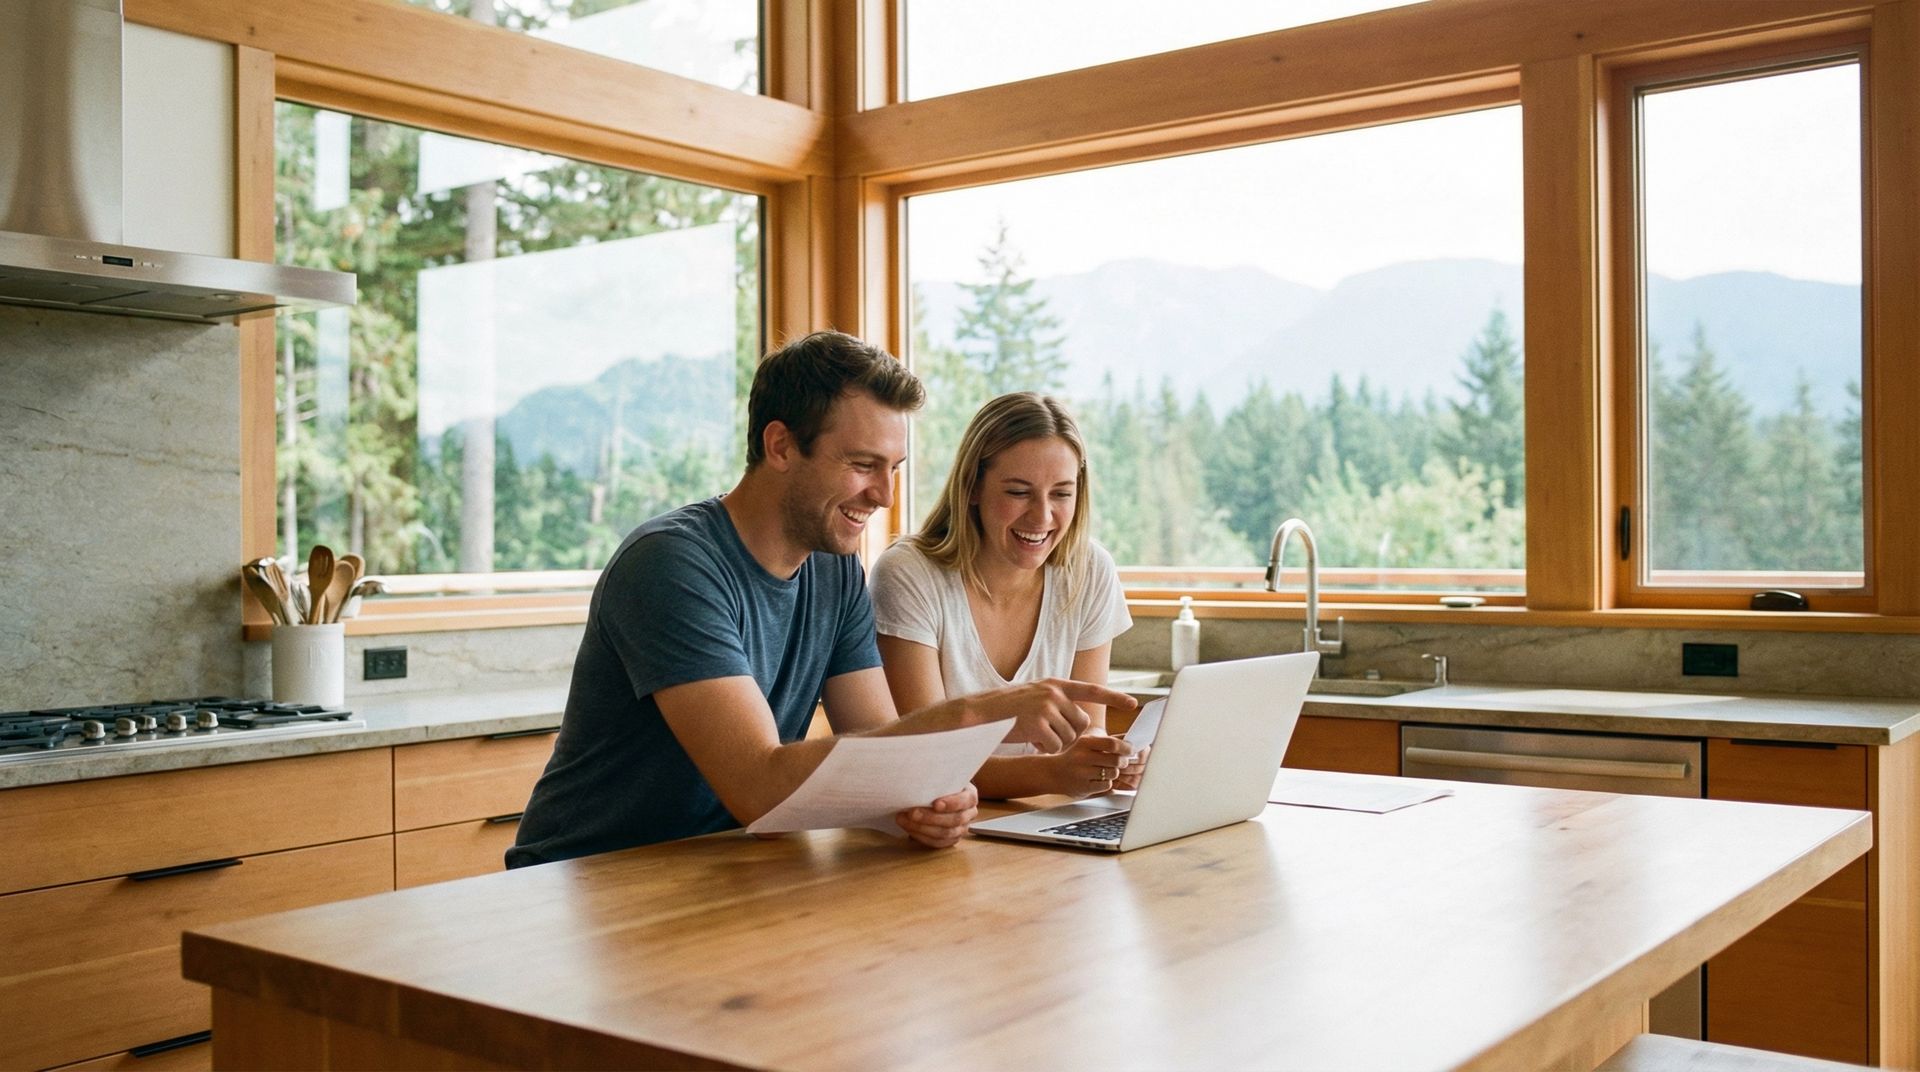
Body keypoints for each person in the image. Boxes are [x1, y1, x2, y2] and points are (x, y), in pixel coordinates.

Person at [508, 333, 1132, 867]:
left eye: (894, 468)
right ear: (780, 446)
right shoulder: (673, 565)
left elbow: (880, 744)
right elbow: (757, 782)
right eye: (863, 464)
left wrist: (924, 798)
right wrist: (975, 717)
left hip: (728, 863)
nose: (885, 496)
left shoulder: (835, 570)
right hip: (590, 876)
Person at [869, 392, 1141, 800]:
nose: (1042, 516)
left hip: (1035, 821)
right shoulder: (909, 575)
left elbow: (1087, 727)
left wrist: (1104, 760)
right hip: (941, 823)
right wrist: (1052, 775)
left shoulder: (1090, 571)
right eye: (1018, 492)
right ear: (973, 487)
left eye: (1062, 494)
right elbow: (922, 754)